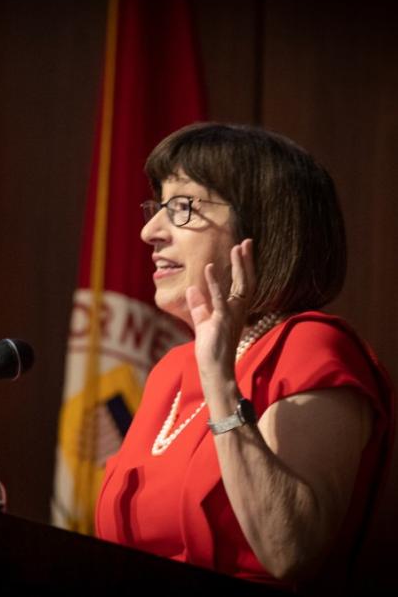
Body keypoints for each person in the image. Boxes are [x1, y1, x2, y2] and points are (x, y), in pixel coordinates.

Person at [94, 123, 394, 593]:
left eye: (182, 208)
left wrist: (219, 380)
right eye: (158, 208)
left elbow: (290, 551)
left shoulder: (312, 348)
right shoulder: (170, 371)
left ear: (259, 227)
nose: (149, 231)